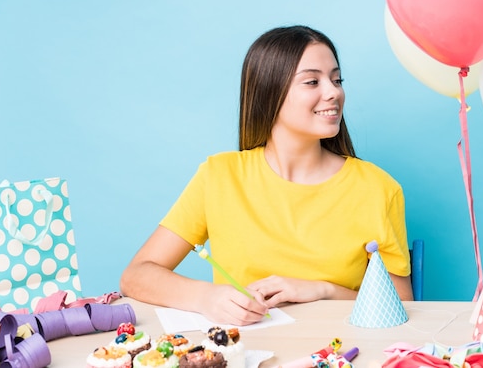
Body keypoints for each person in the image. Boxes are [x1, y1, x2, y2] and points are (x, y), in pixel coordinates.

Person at [120, 25, 413, 326]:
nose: (333, 92)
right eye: (313, 81)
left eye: (337, 80)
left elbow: (405, 308)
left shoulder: (378, 188)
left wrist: (324, 290)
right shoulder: (219, 177)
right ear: (269, 91)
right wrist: (206, 297)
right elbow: (137, 275)